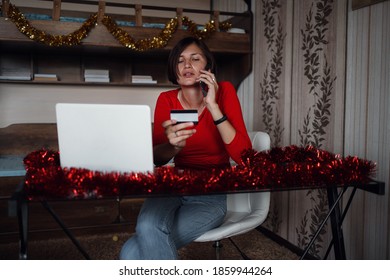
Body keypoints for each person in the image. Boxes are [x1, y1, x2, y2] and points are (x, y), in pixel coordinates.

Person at [119, 36, 252, 260]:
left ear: (207, 67)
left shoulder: (225, 92)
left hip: (211, 193)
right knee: (148, 224)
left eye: (195, 58)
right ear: (174, 69)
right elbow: (158, 158)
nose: (187, 65)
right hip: (173, 185)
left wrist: (213, 106)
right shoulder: (166, 99)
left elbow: (244, 158)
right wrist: (172, 147)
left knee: (130, 252)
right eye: (180, 61)